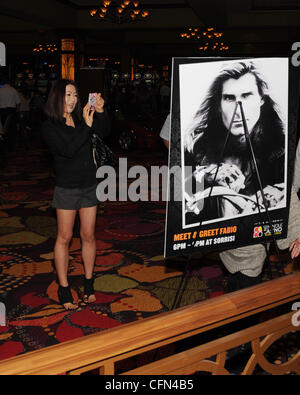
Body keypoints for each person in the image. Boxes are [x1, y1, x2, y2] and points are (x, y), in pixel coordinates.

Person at [184, 61, 285, 223]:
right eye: (229, 98)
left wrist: (278, 192)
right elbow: (181, 200)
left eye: (247, 95)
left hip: (259, 237)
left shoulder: (281, 147)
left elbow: (293, 192)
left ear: (261, 99)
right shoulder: (196, 147)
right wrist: (204, 176)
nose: (239, 109)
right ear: (218, 105)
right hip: (214, 241)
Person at [42, 79, 109, 310]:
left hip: (89, 184)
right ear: (57, 97)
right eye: (67, 95)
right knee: (65, 237)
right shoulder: (50, 126)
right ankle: (63, 287)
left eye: (74, 95)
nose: (72, 100)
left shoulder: (81, 118)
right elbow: (69, 148)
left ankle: (89, 283)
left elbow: (103, 133)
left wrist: (100, 112)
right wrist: (87, 126)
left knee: (88, 235)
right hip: (67, 187)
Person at [0, 75, 21, 152]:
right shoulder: (13, 90)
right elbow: (18, 103)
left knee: (2, 130)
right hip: (11, 112)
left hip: (2, 111)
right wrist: (17, 113)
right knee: (12, 130)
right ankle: (11, 147)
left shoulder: (0, 90)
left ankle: (3, 147)